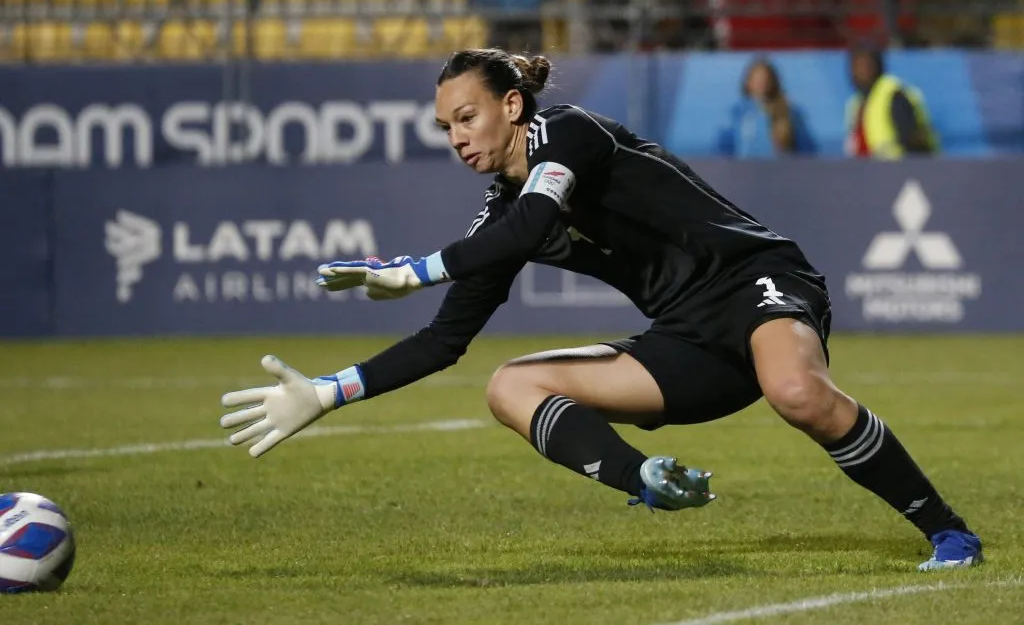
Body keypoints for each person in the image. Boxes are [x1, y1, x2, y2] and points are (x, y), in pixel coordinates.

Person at [220, 48, 981, 572]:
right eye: (446, 126)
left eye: (467, 117)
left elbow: (524, 227)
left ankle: (947, 529)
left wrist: (418, 266)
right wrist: (328, 390)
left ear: (512, 105)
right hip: (685, 340)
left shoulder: (569, 133)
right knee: (507, 386)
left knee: (796, 391)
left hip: (755, 280)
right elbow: (445, 340)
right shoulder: (502, 216)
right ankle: (646, 479)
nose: (456, 138)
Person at [845, 47, 940, 160]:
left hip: (898, 169)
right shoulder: (856, 103)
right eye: (856, 66)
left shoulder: (893, 94)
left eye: (866, 65)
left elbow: (913, 140)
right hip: (865, 170)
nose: (861, 71)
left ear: (877, 66)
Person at [718, 56, 816, 158]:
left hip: (781, 170)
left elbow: (807, 150)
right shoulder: (736, 113)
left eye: (765, 79)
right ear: (748, 82)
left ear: (773, 82)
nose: (761, 83)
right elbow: (723, 150)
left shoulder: (790, 111)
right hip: (745, 170)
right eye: (757, 79)